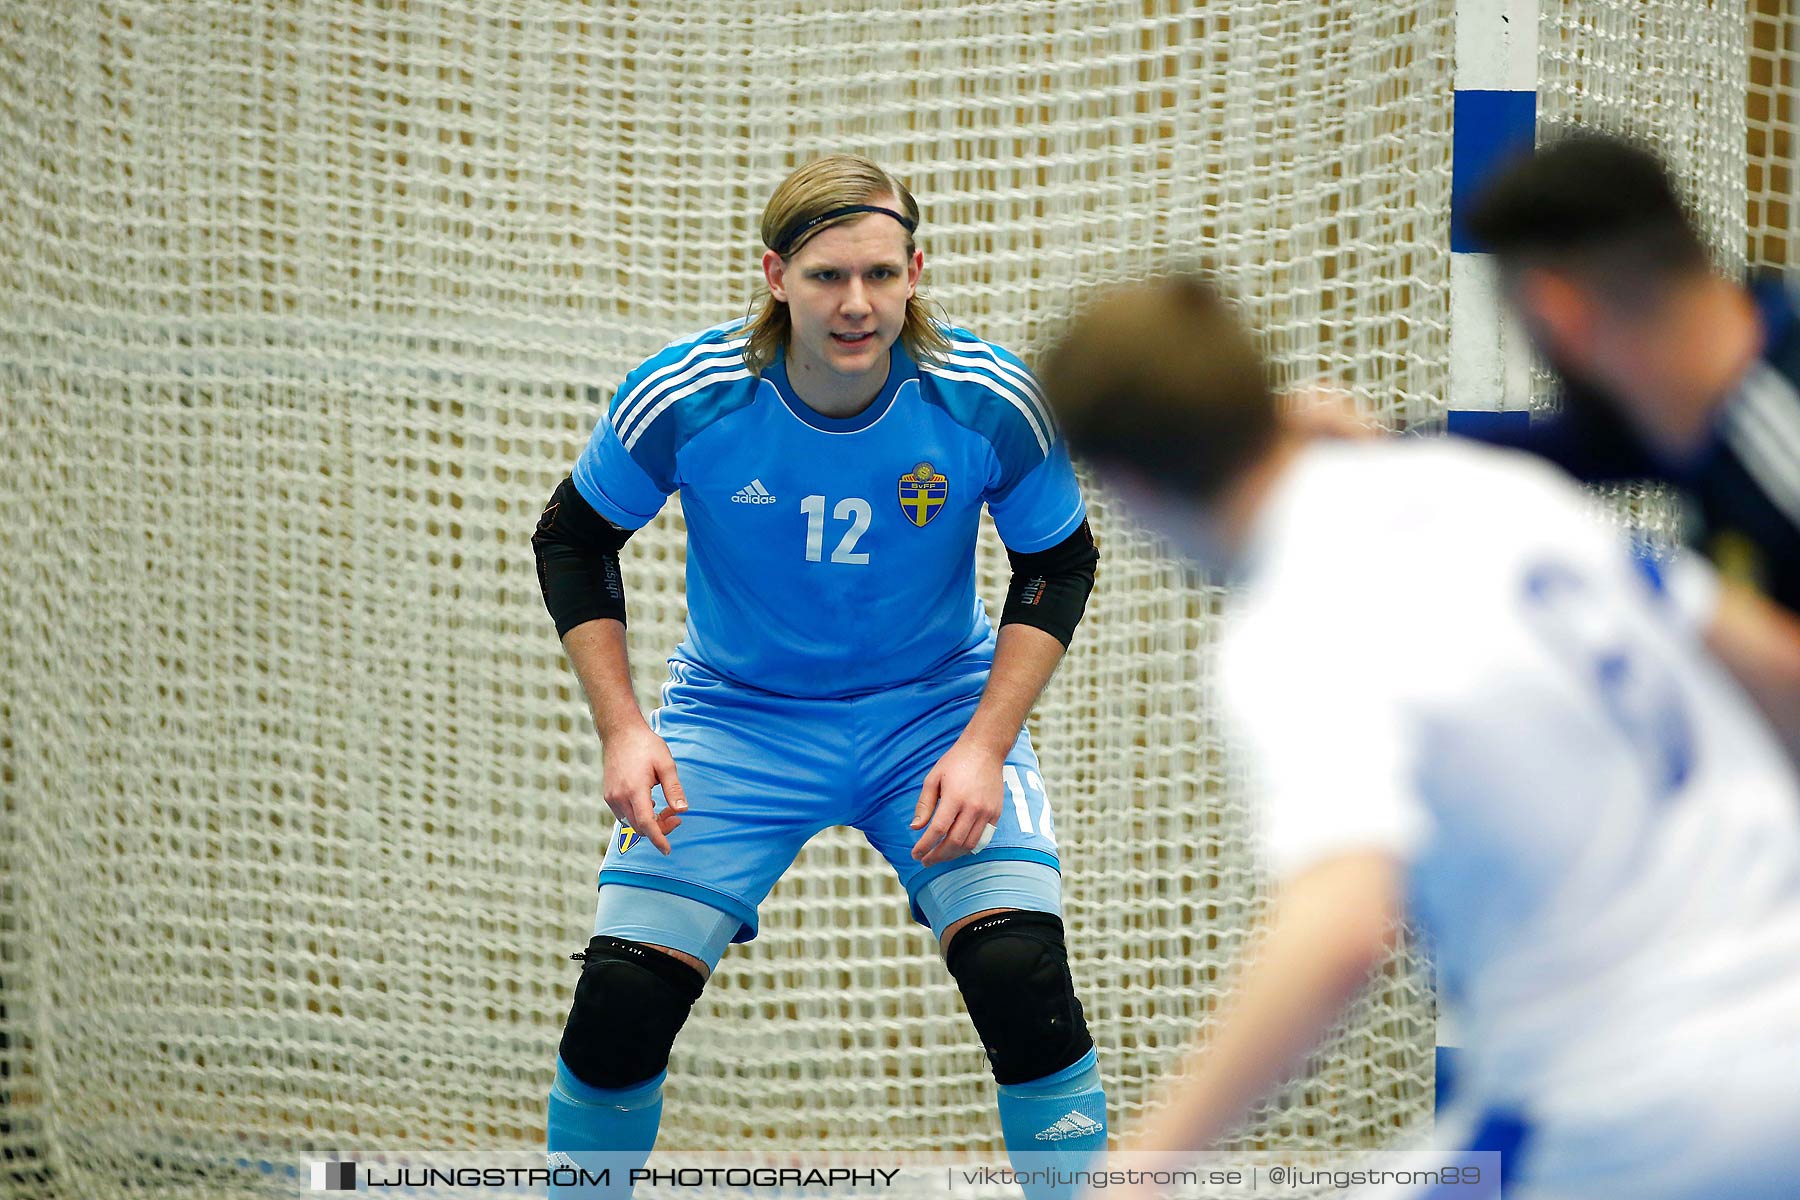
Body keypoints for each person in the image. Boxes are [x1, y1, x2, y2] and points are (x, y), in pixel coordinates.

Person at [1040, 273, 1800, 1198]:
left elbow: (1343, 928)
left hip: (1641, 1097)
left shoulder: (1293, 626)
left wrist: (1143, 1172)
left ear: (1129, 484)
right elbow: (1774, 664)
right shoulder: (1495, 487)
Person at [531, 155, 1105, 1194]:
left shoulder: (982, 399)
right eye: (829, 277)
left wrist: (982, 746)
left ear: (916, 271)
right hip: (735, 724)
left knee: (1023, 975)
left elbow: (1058, 560)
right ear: (774, 275)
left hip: (932, 719)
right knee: (618, 1005)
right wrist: (623, 729)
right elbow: (573, 539)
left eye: (882, 276)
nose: (857, 305)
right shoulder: (691, 395)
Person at [1462, 132, 1800, 755]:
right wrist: (1372, 443)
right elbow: (1538, 451)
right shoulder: (1699, 410)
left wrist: (1679, 603)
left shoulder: (1778, 442)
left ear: (1559, 313)